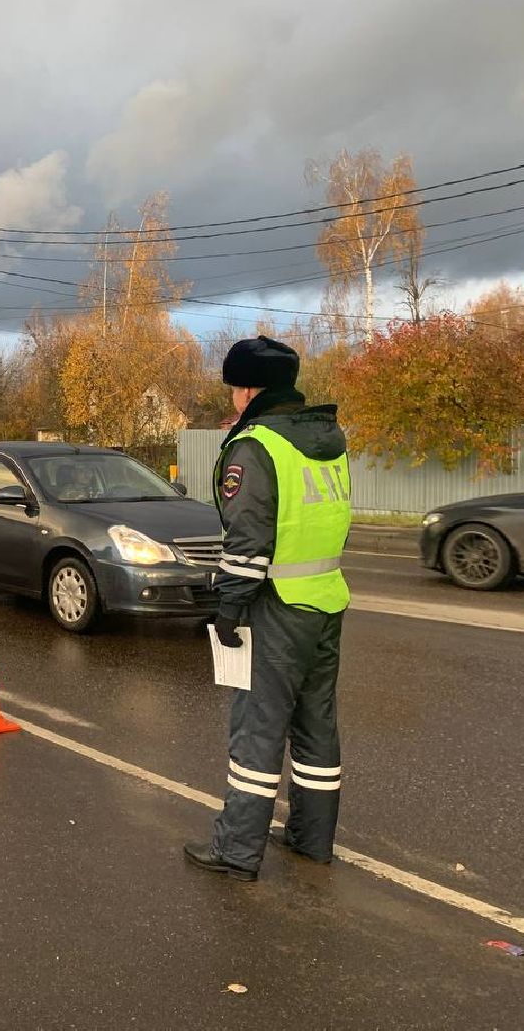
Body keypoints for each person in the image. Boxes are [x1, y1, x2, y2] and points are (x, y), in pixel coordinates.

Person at [184, 336, 352, 883]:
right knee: (315, 727)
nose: (233, 397)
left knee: (257, 729)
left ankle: (236, 851)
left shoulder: (256, 445)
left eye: (234, 386)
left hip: (275, 605)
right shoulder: (329, 438)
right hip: (326, 599)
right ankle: (310, 838)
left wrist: (228, 613)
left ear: (249, 388)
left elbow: (247, 542)